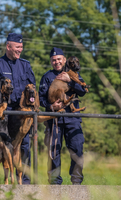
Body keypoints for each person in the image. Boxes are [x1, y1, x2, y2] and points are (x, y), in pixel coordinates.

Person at [0, 33, 36, 184]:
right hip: (3, 114)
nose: (20, 50)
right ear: (8, 46)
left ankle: (25, 184)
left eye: (21, 47)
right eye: (17, 47)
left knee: (24, 148)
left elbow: (32, 88)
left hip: (21, 114)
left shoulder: (25, 65)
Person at [39, 47, 87, 185]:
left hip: (73, 119)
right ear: (51, 62)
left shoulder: (73, 73)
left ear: (64, 60)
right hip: (54, 119)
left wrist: (70, 81)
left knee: (77, 148)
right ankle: (54, 184)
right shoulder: (47, 77)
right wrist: (50, 107)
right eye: (54, 60)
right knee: (54, 151)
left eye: (59, 59)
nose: (56, 62)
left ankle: (76, 182)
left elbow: (83, 91)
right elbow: (41, 98)